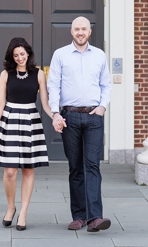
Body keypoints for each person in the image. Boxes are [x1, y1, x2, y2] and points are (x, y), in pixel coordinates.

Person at [47, 16, 112, 233]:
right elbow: (53, 86)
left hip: (93, 117)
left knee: (92, 166)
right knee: (75, 168)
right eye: (77, 29)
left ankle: (95, 217)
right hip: (69, 118)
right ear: (71, 31)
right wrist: (55, 113)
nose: (80, 32)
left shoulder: (100, 56)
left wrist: (102, 107)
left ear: (90, 31)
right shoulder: (60, 55)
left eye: (84, 29)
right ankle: (79, 216)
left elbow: (106, 84)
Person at [0, 37, 52, 231]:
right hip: (9, 120)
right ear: (12, 56)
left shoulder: (39, 74)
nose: (19, 58)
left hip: (30, 122)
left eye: (22, 54)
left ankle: (23, 212)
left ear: (28, 53)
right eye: (16, 55)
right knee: (9, 171)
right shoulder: (5, 74)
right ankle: (11, 207)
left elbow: (45, 103)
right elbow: (0, 103)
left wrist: (55, 117)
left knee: (28, 170)